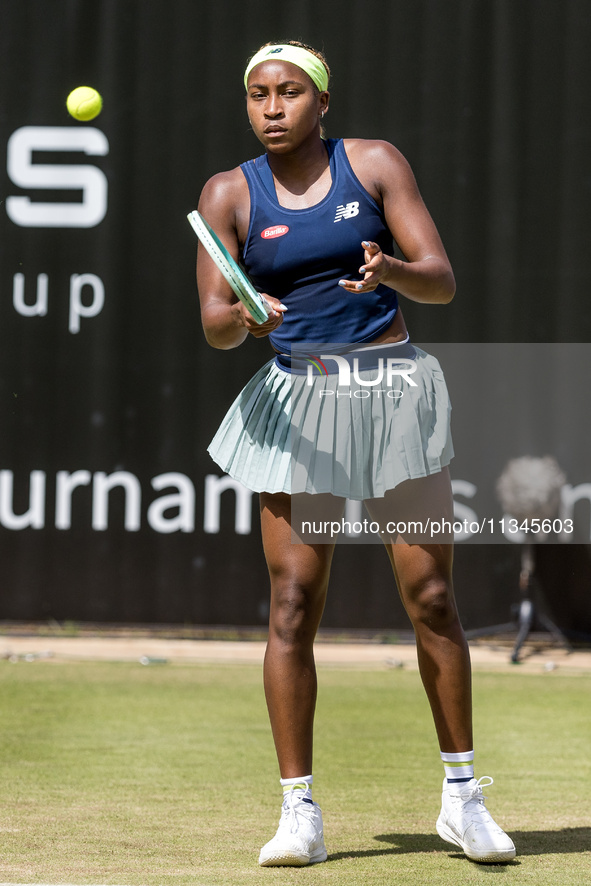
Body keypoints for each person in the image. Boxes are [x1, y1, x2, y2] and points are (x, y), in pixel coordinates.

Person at [195, 40, 516, 867]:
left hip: (390, 391)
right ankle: (298, 812)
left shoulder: (373, 164)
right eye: (258, 94)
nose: (272, 108)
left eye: (290, 92)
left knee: (433, 596)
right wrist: (247, 318)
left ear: (321, 102)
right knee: (294, 601)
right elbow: (213, 323)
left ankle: (462, 799)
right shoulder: (227, 192)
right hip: (296, 402)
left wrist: (392, 271)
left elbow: (439, 279)